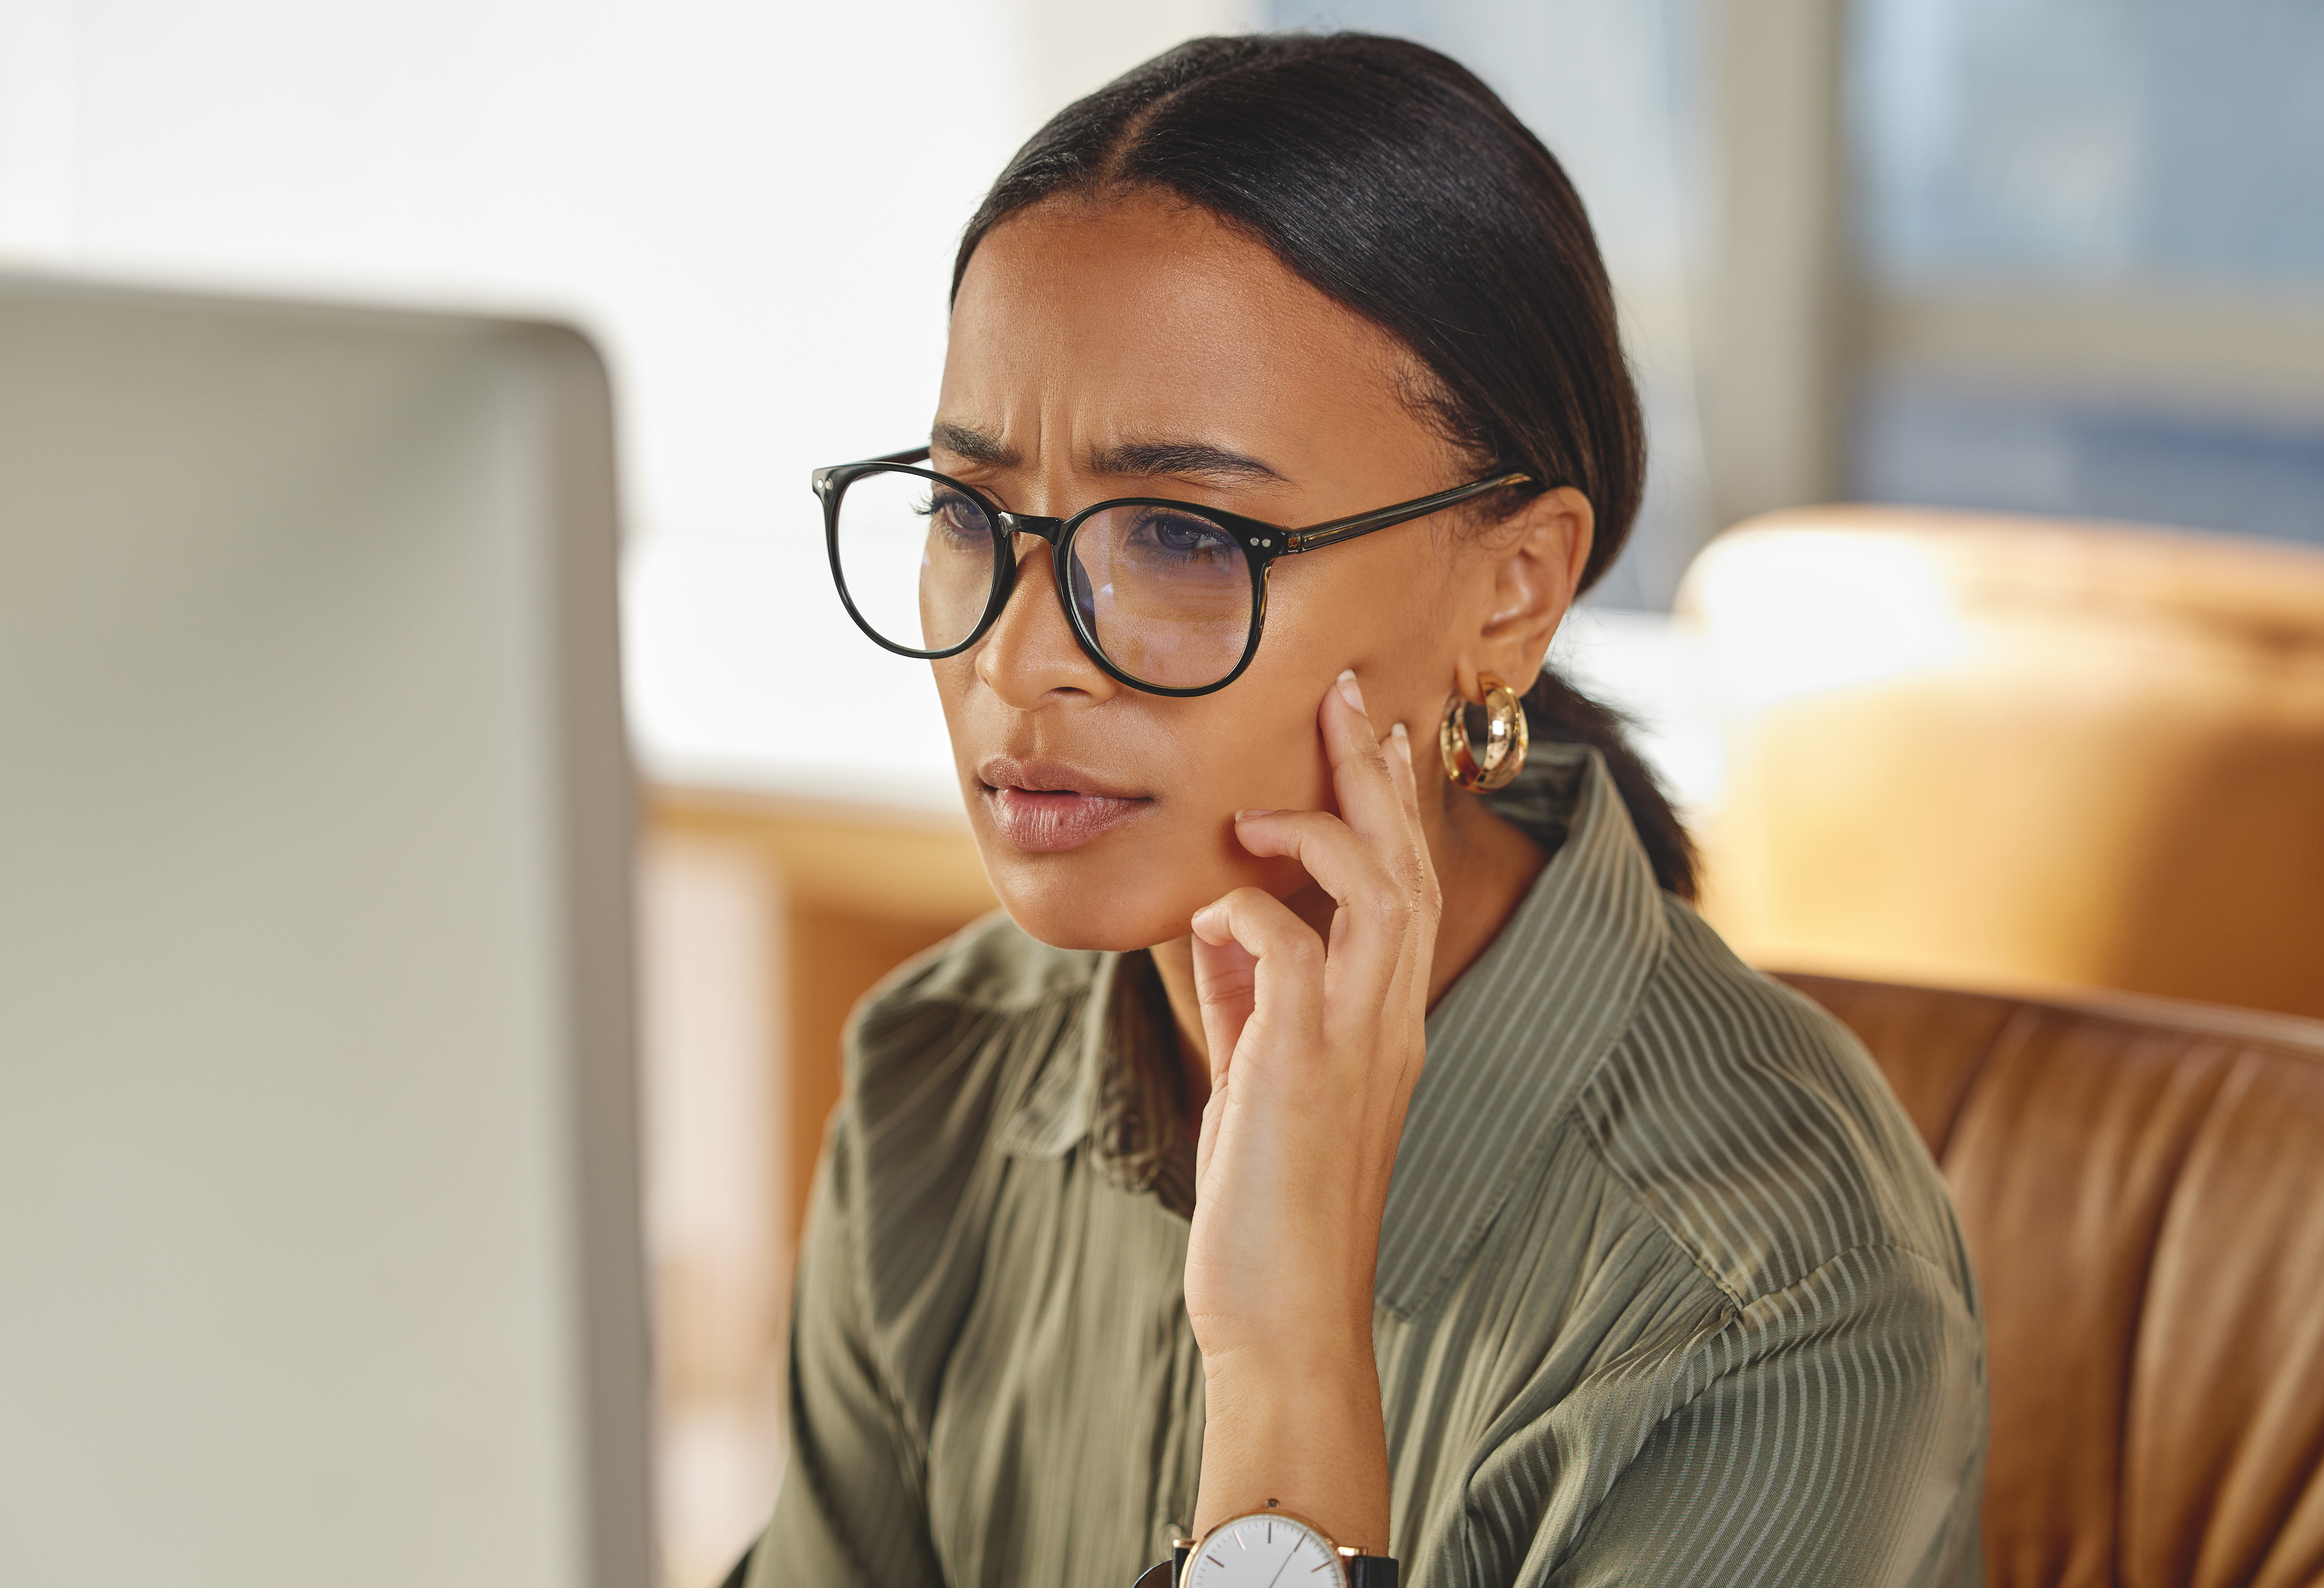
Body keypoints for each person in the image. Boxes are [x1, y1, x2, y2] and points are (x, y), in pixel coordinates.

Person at [732, 31, 1985, 1588]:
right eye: (967, 512)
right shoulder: (946, 1070)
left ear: (1512, 592)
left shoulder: (1776, 1298)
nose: (1017, 652)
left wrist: (1282, 1363)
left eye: (1188, 537)